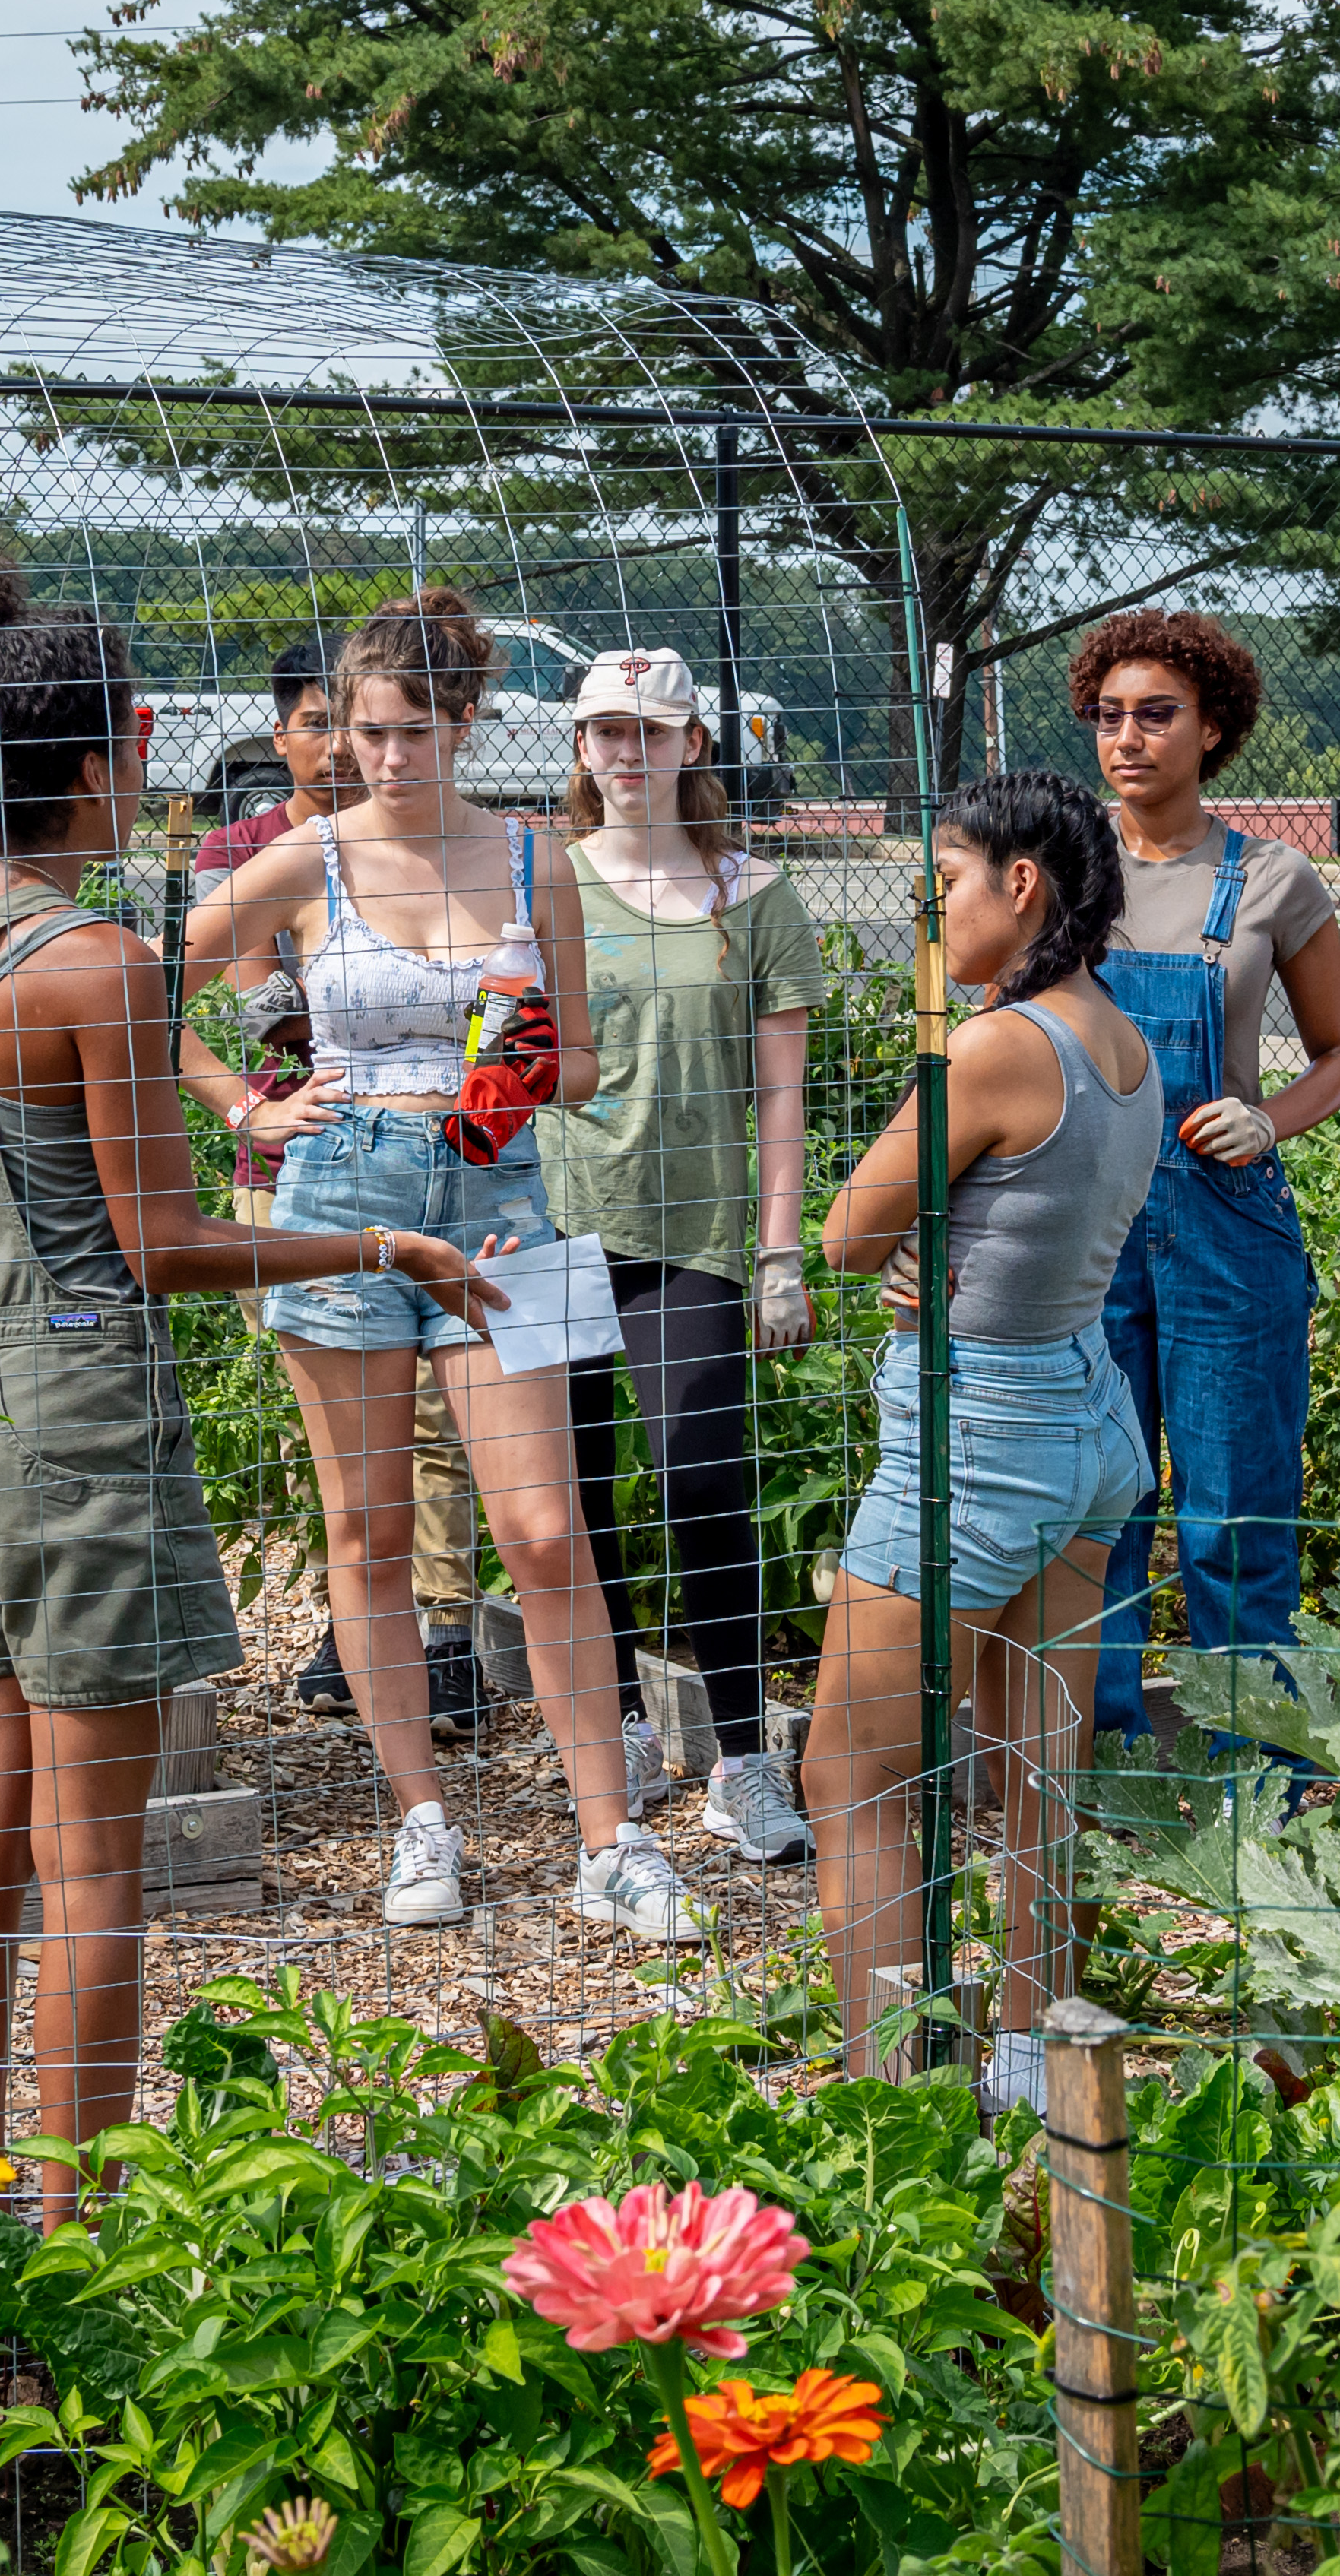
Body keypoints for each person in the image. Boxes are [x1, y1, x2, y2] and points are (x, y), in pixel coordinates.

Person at [0, 573, 504, 2220]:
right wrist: (378, 1245)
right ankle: (83, 2233)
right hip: (76, 1419)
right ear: (93, 761)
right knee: (95, 1864)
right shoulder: (88, 960)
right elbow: (158, 1247)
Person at [194, 594, 710, 1941]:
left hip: (499, 1195)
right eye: (362, 731)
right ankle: (421, 1818)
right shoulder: (304, 857)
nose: (381, 756)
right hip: (339, 1192)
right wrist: (242, 1105)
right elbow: (141, 983)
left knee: (543, 1531)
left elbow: (583, 1058)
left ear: (466, 725)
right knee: (363, 1534)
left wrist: (526, 1062)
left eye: (411, 732)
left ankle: (612, 1836)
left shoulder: (537, 856)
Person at [807, 772, 1159, 2108]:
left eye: (943, 879)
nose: (928, 908)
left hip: (984, 1435)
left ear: (1023, 885)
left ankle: (890, 2101)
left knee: (848, 1769)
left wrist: (904, 1250)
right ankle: (1027, 2070)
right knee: (1036, 1770)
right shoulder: (1121, 1043)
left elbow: (847, 1231)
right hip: (1090, 1420)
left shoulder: (997, 1045)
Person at [1064, 611, 1340, 1741]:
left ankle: (1263, 1775)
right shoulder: (1061, 863)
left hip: (1223, 1224)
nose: (1128, 739)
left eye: (1157, 715)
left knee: (1234, 1516)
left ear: (1216, 728)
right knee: (1100, 1506)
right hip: (1085, 1222)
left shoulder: (1273, 878)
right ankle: (1105, 1765)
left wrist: (1268, 1117)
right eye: (1110, 716)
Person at [542, 645, 824, 1866]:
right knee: (574, 1500)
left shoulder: (754, 895)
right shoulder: (542, 886)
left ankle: (741, 1760)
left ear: (695, 744)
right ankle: (611, 1745)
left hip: (697, 1236)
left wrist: (780, 1252)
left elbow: (783, 1097)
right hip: (552, 1226)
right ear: (581, 747)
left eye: (649, 733)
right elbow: (504, 1056)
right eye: (605, 732)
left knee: (705, 1485)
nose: (625, 755)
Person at [179, 632, 487, 1738]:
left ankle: (443, 1633)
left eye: (373, 728)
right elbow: (242, 1005)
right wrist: (245, 1104)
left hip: (450, 1165)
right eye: (326, 725)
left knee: (433, 1414)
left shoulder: (442, 848)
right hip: (289, 1168)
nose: (351, 751)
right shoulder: (248, 853)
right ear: (288, 735)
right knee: (351, 1423)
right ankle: (355, 1622)